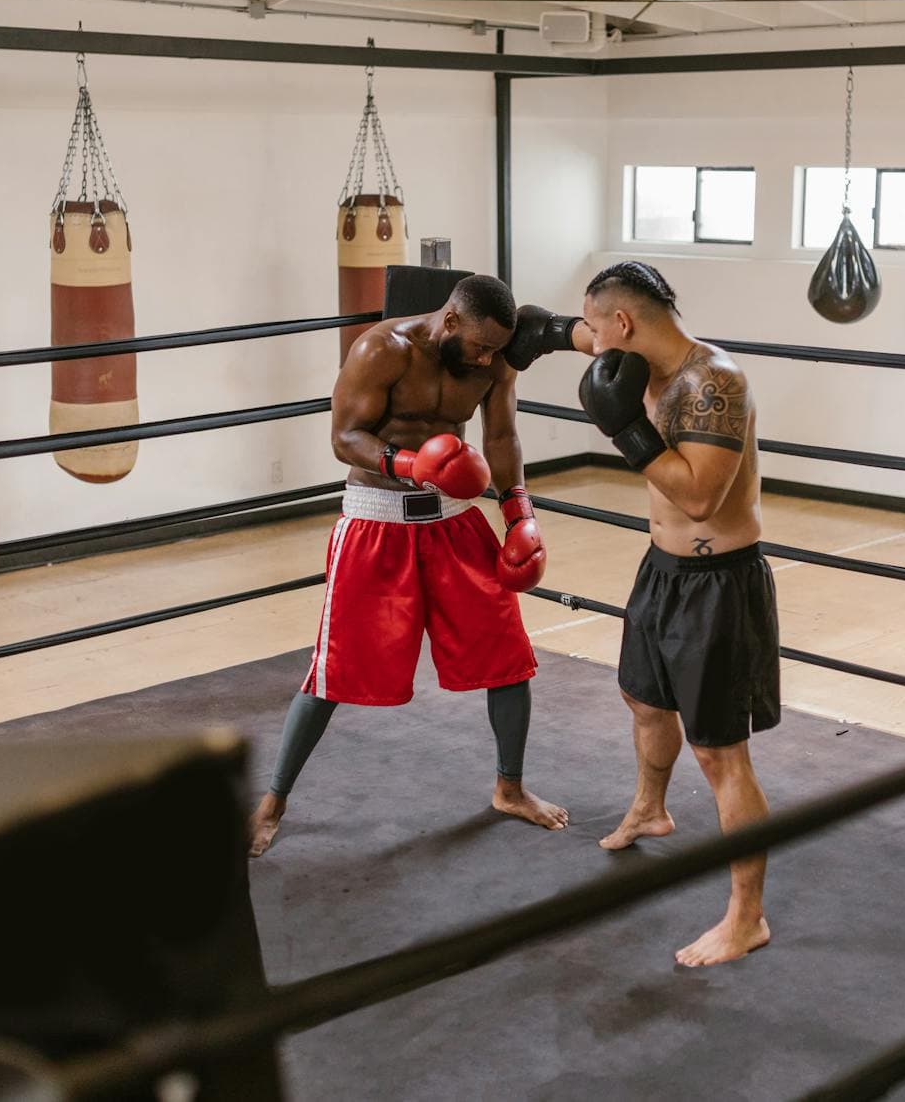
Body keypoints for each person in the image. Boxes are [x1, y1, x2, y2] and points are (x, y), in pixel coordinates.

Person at [508, 261, 778, 967]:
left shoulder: (713, 382)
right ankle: (651, 807)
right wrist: (530, 334)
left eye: (595, 329)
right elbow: (553, 330)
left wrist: (626, 429)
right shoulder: (638, 359)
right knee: (643, 697)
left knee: (720, 753)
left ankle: (746, 916)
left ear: (623, 324)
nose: (589, 342)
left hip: (718, 582)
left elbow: (699, 500)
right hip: (661, 571)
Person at [248, 274, 568, 857]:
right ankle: (272, 800)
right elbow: (345, 437)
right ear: (450, 321)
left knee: (506, 656)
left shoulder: (494, 363)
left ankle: (510, 788)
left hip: (453, 519)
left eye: (496, 349)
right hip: (377, 521)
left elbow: (500, 437)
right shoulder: (381, 349)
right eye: (478, 346)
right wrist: (410, 463)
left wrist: (519, 510)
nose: (486, 358)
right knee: (333, 670)